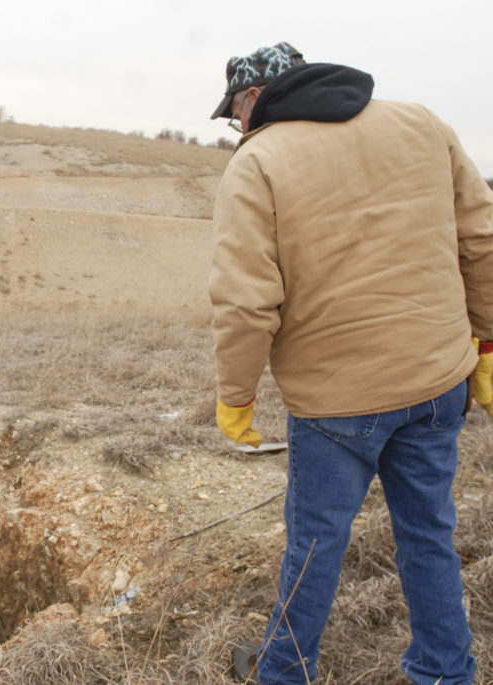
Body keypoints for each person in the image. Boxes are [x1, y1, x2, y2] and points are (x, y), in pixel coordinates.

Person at [208, 42, 493, 684]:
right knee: (429, 535)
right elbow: (481, 240)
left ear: (254, 97)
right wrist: (489, 343)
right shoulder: (422, 123)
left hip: (336, 401)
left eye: (234, 114)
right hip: (438, 380)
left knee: (314, 545)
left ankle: (285, 672)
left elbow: (246, 301)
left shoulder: (258, 161)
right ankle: (446, 672)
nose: (238, 127)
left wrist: (236, 394)